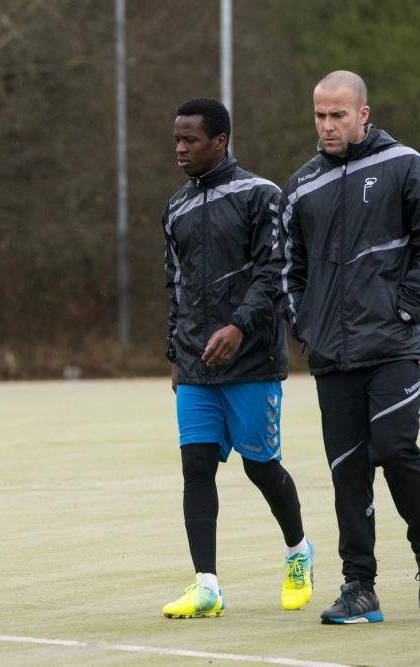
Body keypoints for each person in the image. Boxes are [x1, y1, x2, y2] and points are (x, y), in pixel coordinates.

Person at [278, 71, 420, 624]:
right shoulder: (302, 186)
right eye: (319, 115)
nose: (327, 125)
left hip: (394, 344)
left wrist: (405, 307)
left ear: (363, 114)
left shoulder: (405, 165)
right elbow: (288, 269)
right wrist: (306, 325)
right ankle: (359, 587)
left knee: (395, 450)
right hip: (332, 354)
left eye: (338, 115)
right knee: (348, 471)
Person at [160, 97, 314, 619]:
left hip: (251, 361)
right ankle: (207, 584)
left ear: (219, 141)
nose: (180, 148)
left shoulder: (260, 195)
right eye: (177, 139)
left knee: (260, 467)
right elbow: (173, 285)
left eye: (190, 140)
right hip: (195, 365)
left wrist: (238, 327)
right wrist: (174, 353)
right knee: (196, 467)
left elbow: (275, 274)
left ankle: (298, 552)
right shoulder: (175, 207)